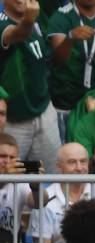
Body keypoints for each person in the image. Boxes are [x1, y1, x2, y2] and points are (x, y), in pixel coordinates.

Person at [48, 0, 95, 141]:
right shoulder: (60, 17)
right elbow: (57, 60)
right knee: (69, 156)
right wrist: (70, 38)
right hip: (66, 105)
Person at [0, 0, 62, 173]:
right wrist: (28, 19)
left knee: (53, 177)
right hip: (13, 119)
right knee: (8, 180)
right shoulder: (2, 21)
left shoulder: (37, 18)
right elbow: (16, 34)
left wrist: (30, 18)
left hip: (44, 110)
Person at [0, 132, 47, 243]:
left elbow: (40, 203)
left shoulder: (19, 182)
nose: (7, 161)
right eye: (2, 156)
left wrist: (36, 186)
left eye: (12, 158)